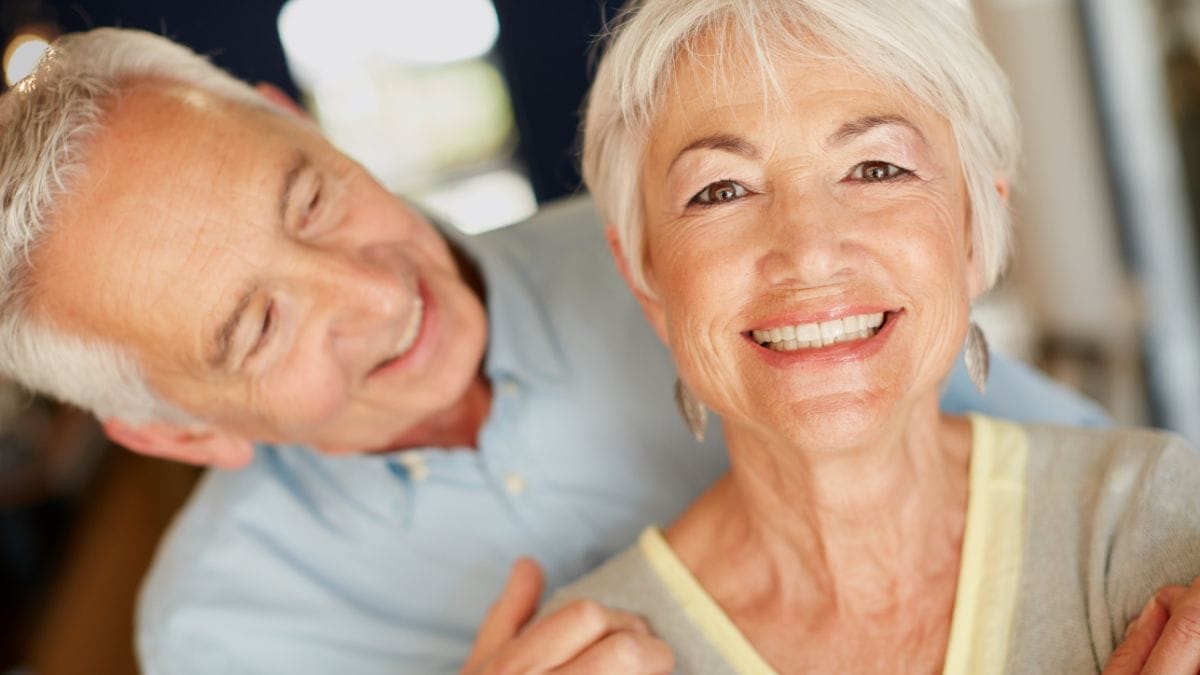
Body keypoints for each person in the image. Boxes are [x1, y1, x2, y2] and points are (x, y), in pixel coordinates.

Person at [0, 26, 1174, 675]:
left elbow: (1064, 504)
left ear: (298, 117)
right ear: (176, 431)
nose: (371, 289)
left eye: (309, 199)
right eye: (257, 325)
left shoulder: (697, 253)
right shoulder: (230, 636)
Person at [541, 0, 1200, 673]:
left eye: (877, 168)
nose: (809, 253)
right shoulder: (587, 654)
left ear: (975, 233)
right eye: (721, 189)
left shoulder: (1149, 513)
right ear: (645, 277)